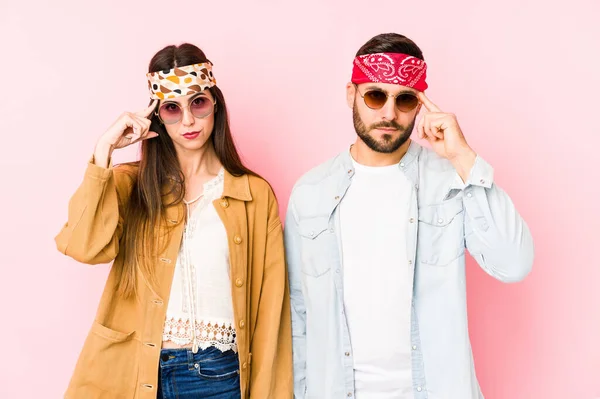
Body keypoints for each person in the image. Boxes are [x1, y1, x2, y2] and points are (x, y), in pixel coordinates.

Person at [285, 33, 534, 399]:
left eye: (404, 99)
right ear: (351, 95)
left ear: (420, 105)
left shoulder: (448, 178)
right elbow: (299, 316)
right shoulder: (311, 192)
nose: (389, 113)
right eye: (375, 96)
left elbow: (514, 263)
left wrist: (463, 157)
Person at [55, 43, 292, 399]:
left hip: (217, 376)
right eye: (171, 108)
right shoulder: (130, 184)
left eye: (198, 102)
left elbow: (271, 309)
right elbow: (83, 247)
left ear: (216, 104)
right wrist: (104, 150)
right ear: (157, 117)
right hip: (133, 372)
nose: (188, 121)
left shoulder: (253, 195)